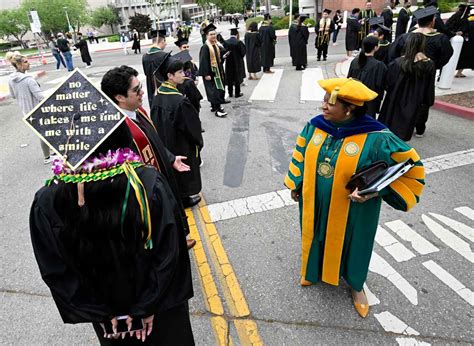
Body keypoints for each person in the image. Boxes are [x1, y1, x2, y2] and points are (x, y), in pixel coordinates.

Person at [30, 67, 196, 345]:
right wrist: (145, 308)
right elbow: (170, 252)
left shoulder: (47, 199)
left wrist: (104, 314)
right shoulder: (146, 183)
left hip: (108, 322)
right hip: (160, 311)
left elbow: (56, 270)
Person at [284, 77, 425, 318]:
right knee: (314, 232)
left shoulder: (376, 136)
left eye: (330, 103)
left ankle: (357, 286)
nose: (323, 107)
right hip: (315, 200)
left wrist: (376, 191)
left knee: (355, 243)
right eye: (324, 101)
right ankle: (312, 271)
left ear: (349, 109)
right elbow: (301, 152)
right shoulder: (316, 125)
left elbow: (410, 168)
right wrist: (296, 183)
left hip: (355, 208)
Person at [100, 66, 199, 248]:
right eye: (136, 90)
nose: (142, 93)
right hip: (145, 194)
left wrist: (169, 158)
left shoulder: (138, 112)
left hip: (160, 176)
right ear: (119, 97)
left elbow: (155, 141)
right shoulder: (116, 131)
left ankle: (177, 238)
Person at [390, 7, 453, 137]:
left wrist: (400, 64)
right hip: (426, 74)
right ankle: (419, 127)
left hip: (405, 72)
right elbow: (447, 55)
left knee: (403, 97)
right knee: (422, 100)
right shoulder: (441, 38)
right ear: (432, 22)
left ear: (417, 22)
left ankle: (402, 123)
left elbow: (393, 54)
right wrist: (433, 65)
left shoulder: (406, 37)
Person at [151, 54, 204, 208]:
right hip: (180, 142)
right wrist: (198, 142)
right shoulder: (179, 101)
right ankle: (185, 198)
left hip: (166, 140)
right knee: (184, 168)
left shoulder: (159, 94)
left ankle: (178, 196)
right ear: (169, 76)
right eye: (180, 72)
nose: (184, 75)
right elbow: (192, 128)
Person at [379, 33, 435, 141]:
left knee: (389, 128)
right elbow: (429, 88)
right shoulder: (429, 64)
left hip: (394, 101)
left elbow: (388, 83)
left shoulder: (397, 63)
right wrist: (427, 102)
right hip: (414, 103)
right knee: (404, 131)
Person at [6, 51, 51, 164]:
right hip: (38, 110)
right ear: (19, 65)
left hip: (26, 111)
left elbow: (13, 95)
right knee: (45, 133)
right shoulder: (29, 80)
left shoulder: (11, 79)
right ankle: (47, 157)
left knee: (42, 132)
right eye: (26, 62)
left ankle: (50, 152)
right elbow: (40, 97)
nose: (29, 63)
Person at [348, 36, 387, 117]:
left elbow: (349, 80)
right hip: (369, 102)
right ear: (375, 48)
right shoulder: (379, 65)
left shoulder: (355, 61)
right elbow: (380, 86)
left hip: (354, 99)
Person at [198, 23, 228, 118]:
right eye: (211, 34)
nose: (213, 36)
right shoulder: (205, 47)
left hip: (217, 71)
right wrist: (206, 74)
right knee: (214, 91)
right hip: (210, 73)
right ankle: (218, 110)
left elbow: (219, 58)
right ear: (207, 36)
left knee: (217, 89)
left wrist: (223, 56)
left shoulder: (215, 45)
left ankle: (215, 107)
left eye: (214, 34)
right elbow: (203, 61)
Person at [142, 29, 168, 108]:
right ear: (162, 41)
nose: (166, 44)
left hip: (151, 89)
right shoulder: (164, 55)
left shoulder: (145, 56)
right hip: (164, 90)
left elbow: (146, 73)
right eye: (165, 42)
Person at [224, 28, 246, 97]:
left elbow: (223, 52)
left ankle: (230, 93)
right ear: (237, 34)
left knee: (229, 77)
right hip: (237, 63)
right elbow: (243, 53)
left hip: (228, 63)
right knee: (237, 77)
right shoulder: (239, 42)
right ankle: (237, 93)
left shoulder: (226, 42)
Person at [455, 7, 474, 78]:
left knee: (462, 58)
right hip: (471, 44)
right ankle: (459, 73)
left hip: (465, 43)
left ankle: (459, 72)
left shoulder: (465, 21)